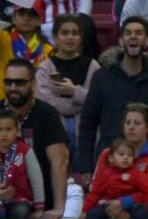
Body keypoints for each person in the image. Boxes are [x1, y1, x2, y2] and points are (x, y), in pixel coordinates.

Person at [77, 16, 148, 170]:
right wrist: (85, 166)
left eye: (138, 33)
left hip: (145, 162)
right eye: (128, 33)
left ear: (147, 40)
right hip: (109, 160)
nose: (133, 36)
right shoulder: (102, 77)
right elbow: (88, 123)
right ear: (121, 40)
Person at [36, 14, 100, 147]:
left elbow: (98, 100)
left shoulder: (93, 65)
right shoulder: (45, 68)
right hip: (54, 132)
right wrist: (77, 105)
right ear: (55, 37)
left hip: (87, 131)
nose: (70, 37)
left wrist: (73, 91)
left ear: (81, 37)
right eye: (64, 33)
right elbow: (46, 103)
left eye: (75, 33)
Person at [0, 3, 52, 103]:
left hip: (35, 105)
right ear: (13, 19)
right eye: (21, 14)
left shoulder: (48, 50)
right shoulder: (4, 39)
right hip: (4, 102)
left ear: (39, 20)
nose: (26, 18)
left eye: (32, 15)